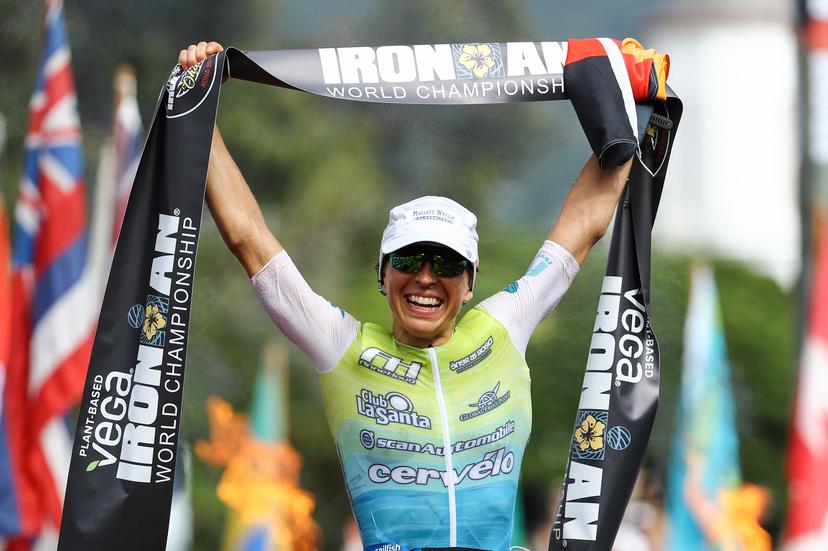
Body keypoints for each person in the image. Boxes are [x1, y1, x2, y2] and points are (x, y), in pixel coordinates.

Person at [181, 41, 633, 551]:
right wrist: (201, 107)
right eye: (406, 259)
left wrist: (616, 98)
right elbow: (249, 240)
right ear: (382, 274)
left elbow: (585, 223)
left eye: (445, 263)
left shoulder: (503, 326)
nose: (424, 277)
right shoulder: (342, 347)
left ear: (469, 281)